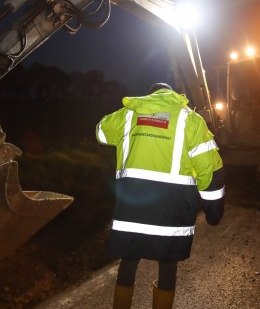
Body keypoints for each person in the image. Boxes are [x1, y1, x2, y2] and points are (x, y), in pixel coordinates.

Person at [96, 82, 225, 309]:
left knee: (128, 261)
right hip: (171, 216)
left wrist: (129, 114)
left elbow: (100, 132)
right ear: (173, 94)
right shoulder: (191, 121)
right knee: (167, 265)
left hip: (131, 213)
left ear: (151, 94)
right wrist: (214, 211)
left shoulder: (129, 114)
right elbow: (210, 170)